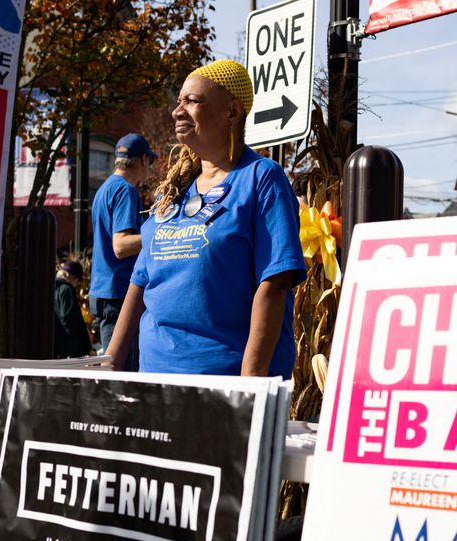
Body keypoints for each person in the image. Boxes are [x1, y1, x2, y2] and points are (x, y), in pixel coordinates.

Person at [106, 59, 306, 377]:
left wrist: (249, 386)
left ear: (231, 112)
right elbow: (139, 284)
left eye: (193, 101)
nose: (178, 111)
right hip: (156, 380)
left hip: (224, 383)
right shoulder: (172, 192)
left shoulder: (261, 177)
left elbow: (274, 282)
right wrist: (109, 364)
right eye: (178, 101)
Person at [88, 133, 156, 370]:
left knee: (112, 368)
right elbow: (121, 245)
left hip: (103, 290)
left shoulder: (105, 188)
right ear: (143, 160)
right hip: (118, 295)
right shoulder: (125, 191)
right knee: (119, 376)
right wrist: (159, 234)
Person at [53, 260, 91, 359]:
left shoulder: (53, 287)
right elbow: (67, 318)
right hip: (68, 347)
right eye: (77, 280)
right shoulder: (67, 289)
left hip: (56, 345)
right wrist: (76, 345)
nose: (77, 284)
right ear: (70, 276)